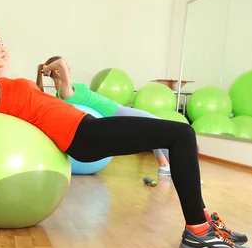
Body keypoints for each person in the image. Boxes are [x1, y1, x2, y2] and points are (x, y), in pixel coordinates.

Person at [0, 24, 250, 248]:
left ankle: (203, 222)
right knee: (181, 134)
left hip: (86, 127)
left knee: (179, 134)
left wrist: (2, 51)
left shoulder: (1, 81)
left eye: (1, 41)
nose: (3, 47)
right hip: (82, 136)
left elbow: (0, 67)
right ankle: (198, 230)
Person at [36, 56, 172, 176]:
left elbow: (59, 64)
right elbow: (59, 62)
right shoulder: (65, 91)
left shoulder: (62, 92)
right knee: (155, 124)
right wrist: (47, 67)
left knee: (153, 126)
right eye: (66, 65)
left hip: (113, 109)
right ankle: (165, 165)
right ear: (59, 71)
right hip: (112, 111)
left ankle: (164, 165)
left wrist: (47, 68)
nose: (69, 67)